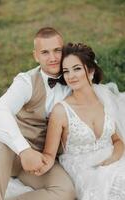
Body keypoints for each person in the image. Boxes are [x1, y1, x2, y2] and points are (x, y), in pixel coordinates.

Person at [0, 28, 76, 200]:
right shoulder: (27, 81)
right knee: (0, 143)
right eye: (45, 52)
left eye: (57, 50)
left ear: (64, 51)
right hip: (13, 153)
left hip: (42, 160)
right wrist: (24, 151)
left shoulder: (74, 79)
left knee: (66, 191)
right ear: (36, 56)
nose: (52, 58)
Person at [36, 43, 125, 200]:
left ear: (90, 71)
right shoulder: (61, 111)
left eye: (76, 68)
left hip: (114, 159)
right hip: (84, 171)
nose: (71, 76)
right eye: (66, 71)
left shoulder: (104, 99)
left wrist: (113, 159)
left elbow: (117, 140)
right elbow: (49, 154)